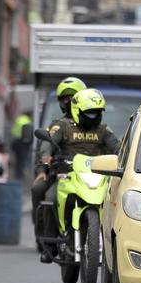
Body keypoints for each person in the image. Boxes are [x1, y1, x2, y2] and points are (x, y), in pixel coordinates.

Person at [36, 88, 120, 263]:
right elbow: (47, 144)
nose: (92, 116)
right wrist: (45, 161)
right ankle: (51, 244)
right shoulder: (63, 126)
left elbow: (118, 148)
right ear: (76, 110)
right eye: (88, 112)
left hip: (98, 177)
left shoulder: (104, 130)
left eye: (96, 113)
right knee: (51, 198)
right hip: (67, 176)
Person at [30, 77, 86, 249]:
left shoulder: (97, 125)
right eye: (64, 98)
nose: (68, 102)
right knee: (41, 191)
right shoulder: (59, 125)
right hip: (63, 175)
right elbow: (46, 145)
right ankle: (47, 241)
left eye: (73, 97)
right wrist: (44, 166)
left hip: (91, 177)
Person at [10, 111, 32, 179]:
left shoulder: (19, 119)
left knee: (18, 159)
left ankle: (17, 173)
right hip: (23, 142)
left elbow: (13, 130)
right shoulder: (27, 121)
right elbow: (28, 133)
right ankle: (20, 174)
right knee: (22, 159)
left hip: (16, 140)